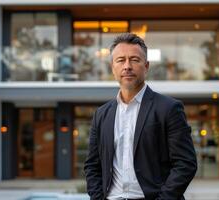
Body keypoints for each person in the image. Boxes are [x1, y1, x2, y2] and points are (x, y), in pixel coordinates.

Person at [84, 33, 197, 200]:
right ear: (112, 67)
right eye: (121, 60)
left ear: (146, 66)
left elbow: (185, 164)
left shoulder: (169, 108)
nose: (127, 66)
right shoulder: (102, 114)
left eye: (134, 60)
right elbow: (92, 165)